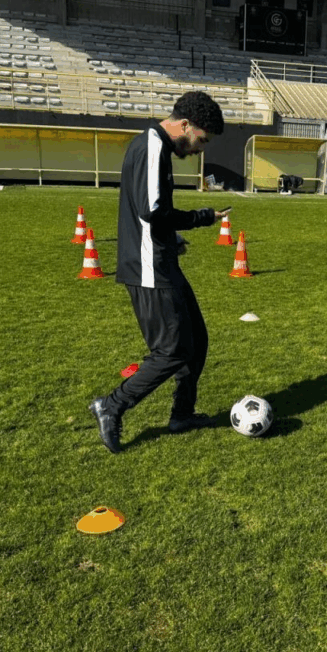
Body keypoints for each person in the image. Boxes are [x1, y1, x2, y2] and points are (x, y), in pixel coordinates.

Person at [89, 91, 227, 453]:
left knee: (196, 340)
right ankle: (111, 405)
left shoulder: (158, 148)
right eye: (201, 141)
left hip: (160, 260)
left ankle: (182, 414)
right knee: (172, 350)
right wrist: (200, 217)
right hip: (148, 267)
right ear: (186, 125)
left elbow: (149, 212)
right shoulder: (152, 146)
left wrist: (172, 236)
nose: (198, 150)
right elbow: (152, 211)